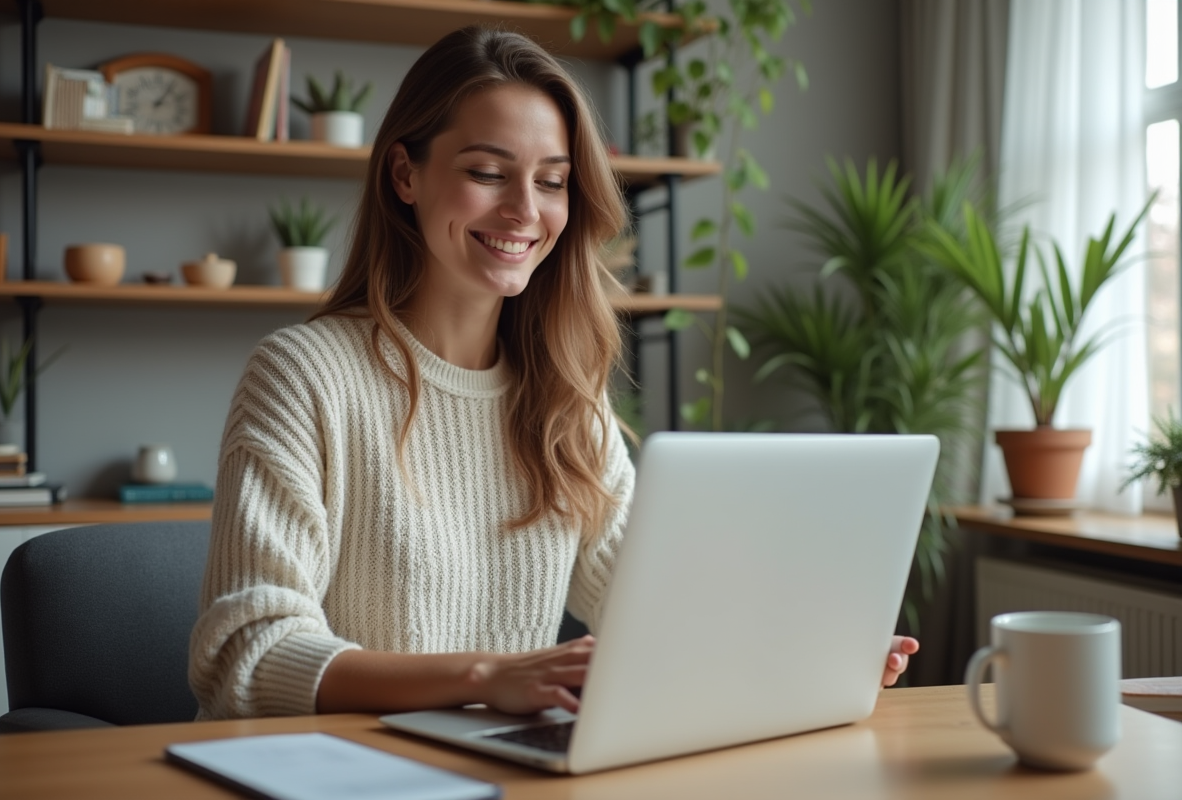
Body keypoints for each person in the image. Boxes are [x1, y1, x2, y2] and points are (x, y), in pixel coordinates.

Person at [189, 25, 917, 721]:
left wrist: (812, 649)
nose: (524, 211)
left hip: (501, 770)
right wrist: (487, 677)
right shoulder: (302, 376)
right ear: (406, 174)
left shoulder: (567, 398)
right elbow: (246, 653)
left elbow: (658, 604)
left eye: (553, 181)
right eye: (486, 173)